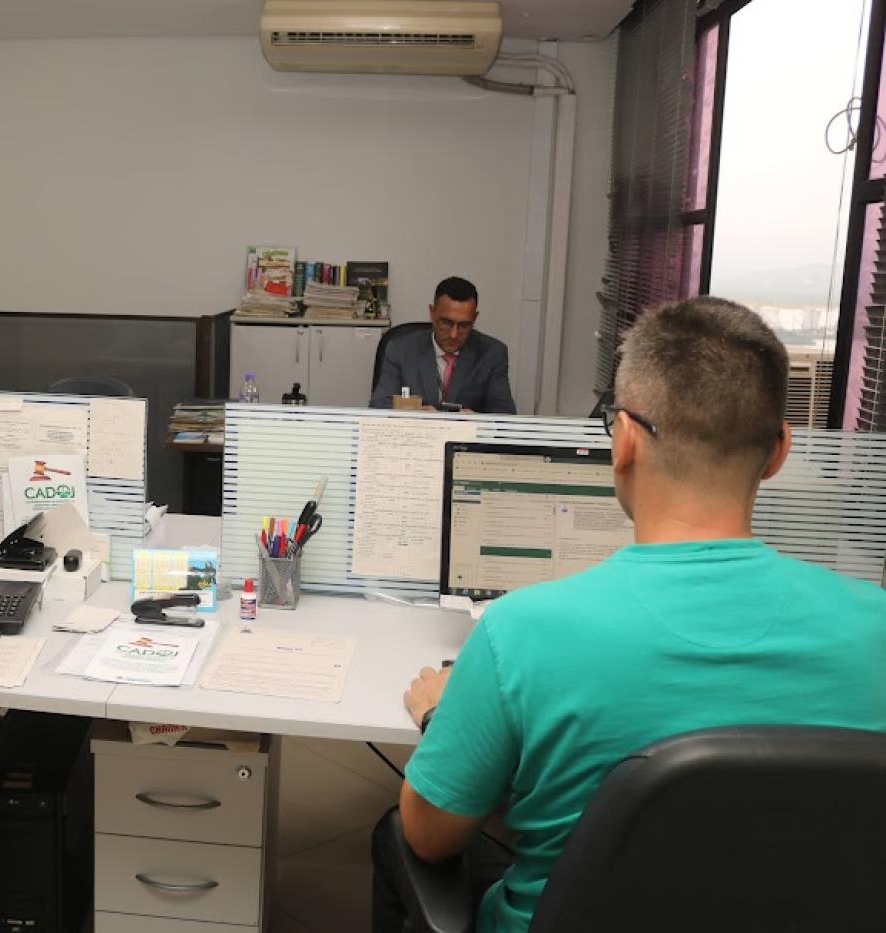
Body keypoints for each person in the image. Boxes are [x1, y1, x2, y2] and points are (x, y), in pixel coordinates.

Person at [372, 296, 886, 933]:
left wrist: (446, 714)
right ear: (778, 451)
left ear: (622, 441)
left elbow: (429, 836)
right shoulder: (878, 631)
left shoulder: (522, 631)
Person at [369, 276, 516, 413]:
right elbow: (379, 406)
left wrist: (479, 421)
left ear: (475, 318)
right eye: (446, 322)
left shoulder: (492, 353)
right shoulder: (400, 349)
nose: (453, 334)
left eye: (464, 325)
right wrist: (415, 416)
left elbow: (505, 416)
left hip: (465, 439)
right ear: (432, 313)